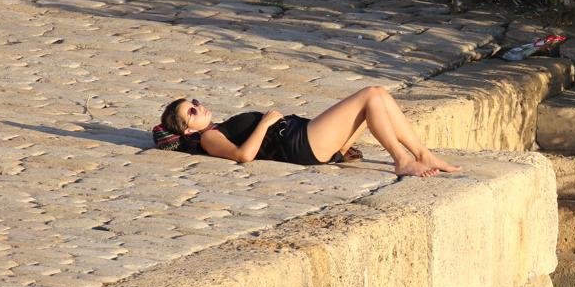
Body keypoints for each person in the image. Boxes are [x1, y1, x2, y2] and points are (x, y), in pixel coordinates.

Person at [151, 86, 460, 177]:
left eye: (194, 101)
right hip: (301, 144)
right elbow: (244, 156)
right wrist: (266, 123)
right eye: (190, 111)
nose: (197, 106)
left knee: (378, 97)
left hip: (305, 138)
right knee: (370, 95)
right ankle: (401, 160)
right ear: (188, 129)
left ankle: (423, 154)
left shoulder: (215, 127)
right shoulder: (207, 137)